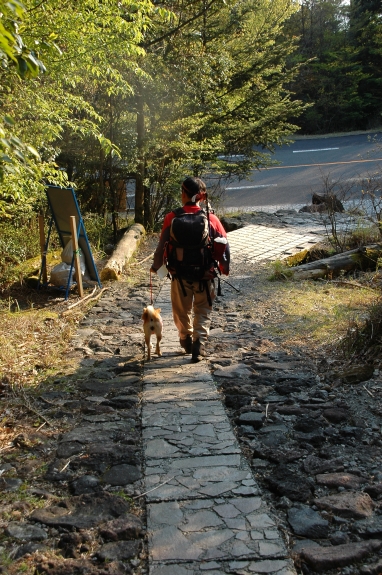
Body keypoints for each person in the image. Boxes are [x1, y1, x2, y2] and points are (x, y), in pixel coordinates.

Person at [151, 176, 230, 362]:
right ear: (201, 198)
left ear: (184, 194)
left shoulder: (172, 217)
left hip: (180, 275)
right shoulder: (211, 218)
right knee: (203, 310)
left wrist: (157, 266)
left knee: (181, 310)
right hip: (205, 275)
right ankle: (199, 343)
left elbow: (162, 245)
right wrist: (224, 267)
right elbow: (224, 245)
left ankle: (185, 338)